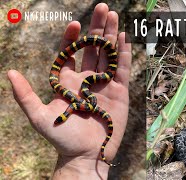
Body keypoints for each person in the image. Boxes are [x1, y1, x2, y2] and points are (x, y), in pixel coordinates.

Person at [7, 3, 131, 179]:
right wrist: (81, 162)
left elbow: (77, 100)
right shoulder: (80, 101)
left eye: (61, 118)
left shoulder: (79, 100)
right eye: (62, 118)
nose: (59, 120)